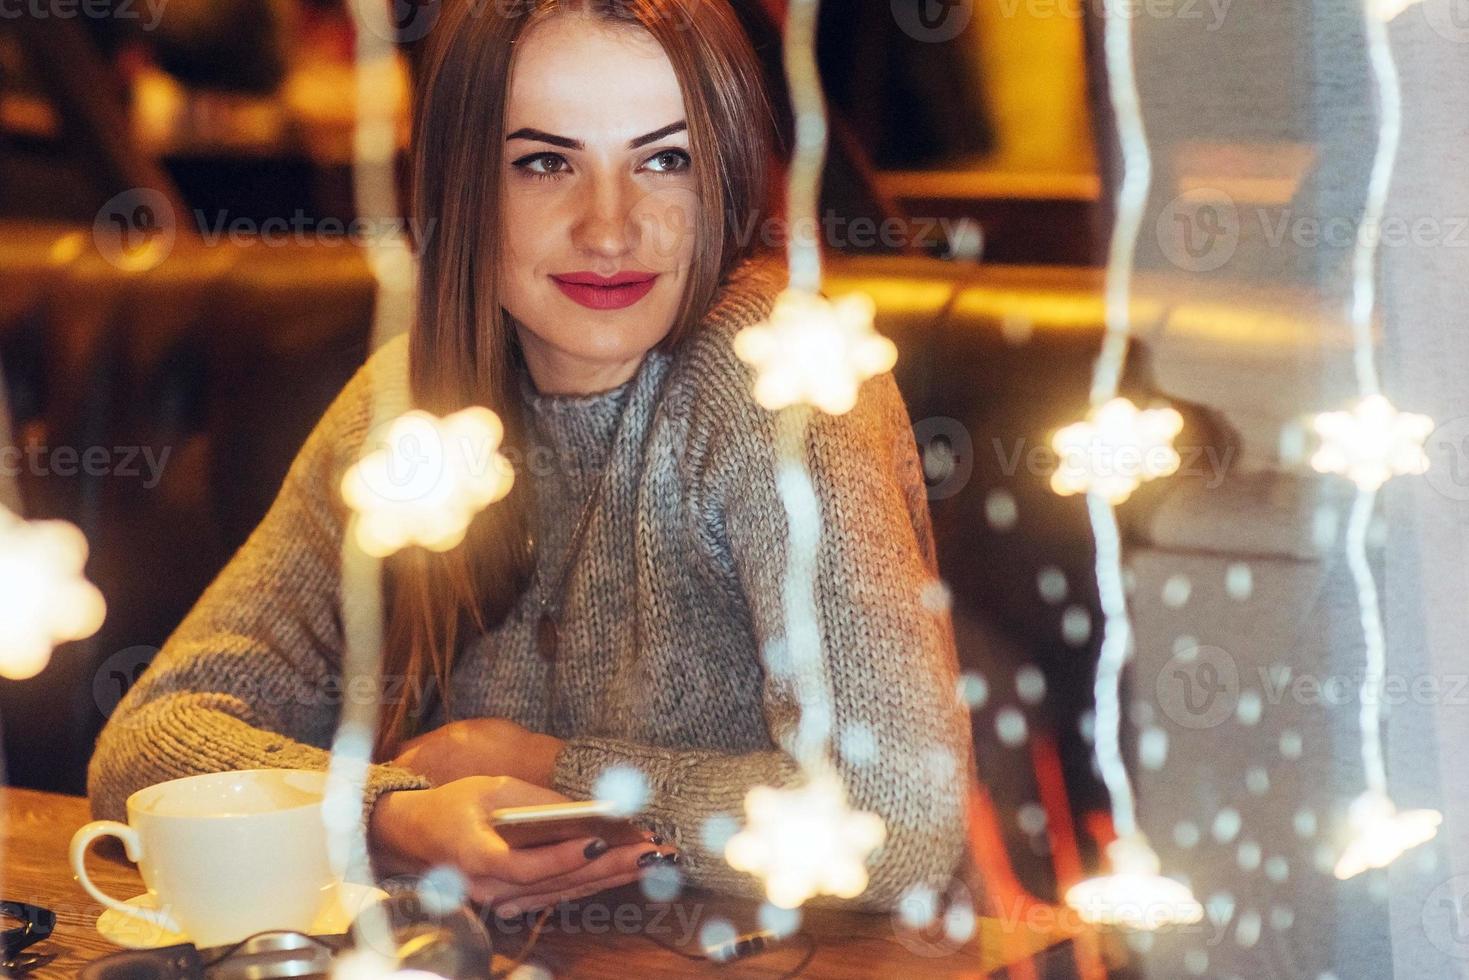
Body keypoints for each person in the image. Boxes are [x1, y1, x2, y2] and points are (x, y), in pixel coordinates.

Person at [89, 0, 971, 915]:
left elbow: (896, 816)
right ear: (460, 184)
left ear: (724, 176)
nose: (609, 226)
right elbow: (151, 741)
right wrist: (390, 815)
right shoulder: (408, 406)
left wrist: (533, 766)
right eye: (545, 163)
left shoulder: (784, 380)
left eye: (664, 159)